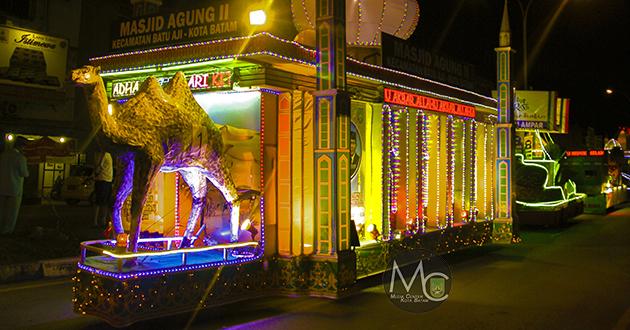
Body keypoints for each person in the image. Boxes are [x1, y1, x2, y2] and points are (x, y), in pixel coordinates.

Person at [0, 136, 29, 235]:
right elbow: (24, 173)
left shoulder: (3, 155)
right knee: (12, 212)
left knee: (2, 210)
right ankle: (7, 230)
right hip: (14, 188)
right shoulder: (20, 158)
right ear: (22, 146)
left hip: (2, 187)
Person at [93, 149, 113, 228]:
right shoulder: (103, 154)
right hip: (103, 180)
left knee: (102, 201)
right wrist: (95, 174)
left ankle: (100, 221)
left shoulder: (102, 154)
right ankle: (101, 221)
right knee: (102, 202)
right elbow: (98, 167)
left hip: (105, 180)